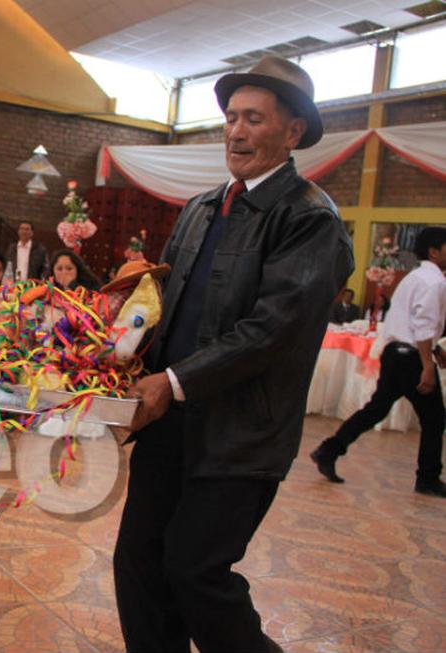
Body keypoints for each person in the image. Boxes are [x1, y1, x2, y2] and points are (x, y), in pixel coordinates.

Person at [112, 55, 353, 653]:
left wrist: (174, 380)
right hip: (171, 424)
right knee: (139, 564)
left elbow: (274, 329)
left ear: (293, 131)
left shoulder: (308, 219)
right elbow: (162, 302)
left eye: (253, 118)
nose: (235, 131)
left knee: (196, 573)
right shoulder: (199, 208)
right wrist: (119, 346)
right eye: (230, 117)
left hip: (242, 434)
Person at [310, 226, 446, 497]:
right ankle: (428, 478)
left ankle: (329, 449)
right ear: (434, 251)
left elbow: (411, 323)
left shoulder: (413, 278)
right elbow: (422, 325)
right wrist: (427, 366)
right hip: (410, 358)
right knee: (434, 419)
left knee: (377, 408)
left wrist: (434, 352)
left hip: (395, 352)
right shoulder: (434, 282)